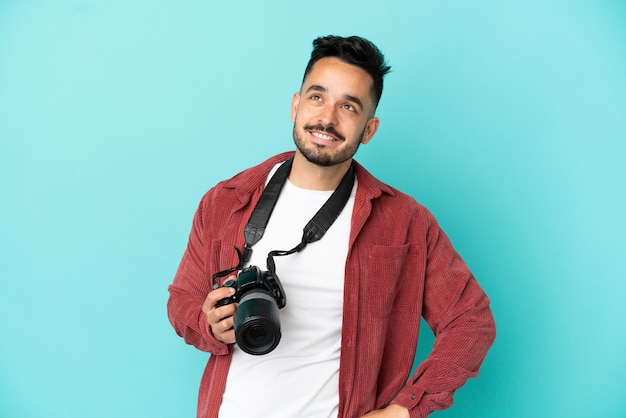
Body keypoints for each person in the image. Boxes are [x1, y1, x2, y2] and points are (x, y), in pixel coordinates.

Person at [167, 35, 496, 418]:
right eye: (317, 97)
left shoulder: (404, 222)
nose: (327, 118)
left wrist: (404, 410)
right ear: (296, 105)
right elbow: (182, 300)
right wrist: (209, 323)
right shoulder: (226, 201)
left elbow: (471, 321)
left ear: (368, 130)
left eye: (349, 107)